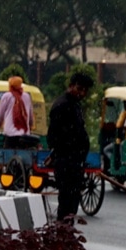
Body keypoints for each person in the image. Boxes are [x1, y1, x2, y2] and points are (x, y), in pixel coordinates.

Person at [47, 71, 94, 222]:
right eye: (80, 89)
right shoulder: (62, 106)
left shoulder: (75, 106)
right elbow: (54, 136)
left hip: (75, 162)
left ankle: (67, 235)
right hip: (66, 161)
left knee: (72, 202)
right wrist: (67, 152)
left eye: (85, 90)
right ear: (71, 86)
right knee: (66, 202)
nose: (82, 93)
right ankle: (63, 236)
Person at [0, 75, 39, 150]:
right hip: (24, 134)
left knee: (7, 156)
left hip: (10, 134)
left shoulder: (6, 96)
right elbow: (30, 116)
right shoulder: (27, 96)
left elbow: (0, 115)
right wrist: (29, 127)